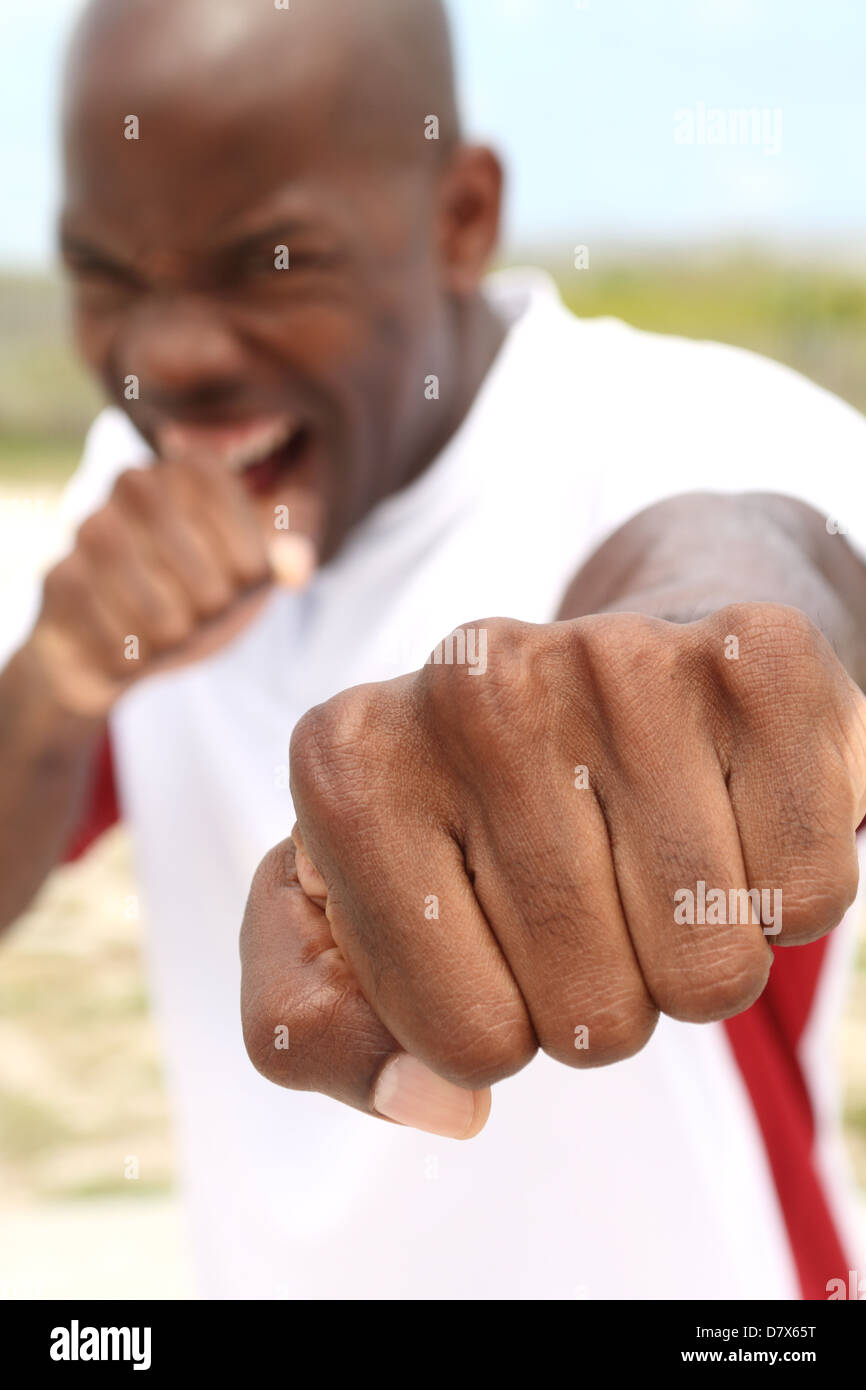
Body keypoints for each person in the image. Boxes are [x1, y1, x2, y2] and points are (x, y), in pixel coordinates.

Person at [2, 0, 865, 1299]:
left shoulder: (685, 425)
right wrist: (65, 678)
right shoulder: (129, 494)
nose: (164, 358)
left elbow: (752, 563)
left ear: (458, 218)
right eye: (109, 279)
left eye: (270, 265)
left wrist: (676, 662)